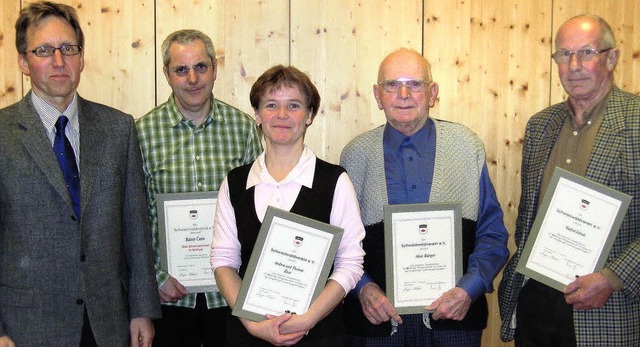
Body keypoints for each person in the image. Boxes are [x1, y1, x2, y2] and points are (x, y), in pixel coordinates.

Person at [0, 2, 161, 346]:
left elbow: (135, 226)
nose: (59, 61)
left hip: (107, 322)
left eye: (68, 49)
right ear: (24, 62)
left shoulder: (118, 129)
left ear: (82, 57)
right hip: (25, 325)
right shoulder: (2, 135)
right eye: (44, 50)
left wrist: (142, 309)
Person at [340, 48, 509, 346]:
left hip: (454, 320)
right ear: (378, 96)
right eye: (392, 85)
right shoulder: (355, 155)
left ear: (432, 93)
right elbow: (340, 240)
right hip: (375, 323)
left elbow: (492, 234)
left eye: (415, 84)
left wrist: (468, 289)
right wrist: (363, 289)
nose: (403, 94)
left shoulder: (466, 147)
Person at [498, 14, 640, 347]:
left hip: (606, 309)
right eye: (564, 54)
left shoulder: (636, 122)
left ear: (612, 58)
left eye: (586, 52)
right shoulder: (540, 126)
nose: (573, 65)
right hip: (535, 303)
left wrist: (613, 278)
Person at [211, 65, 365, 346]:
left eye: (293, 105)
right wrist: (254, 324)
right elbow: (224, 261)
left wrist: (308, 319)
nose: (282, 115)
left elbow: (350, 262)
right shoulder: (234, 183)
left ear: (308, 115)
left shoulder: (335, 181)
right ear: (257, 115)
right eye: (271, 105)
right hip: (249, 336)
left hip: (319, 334)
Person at [136, 29, 262, 346]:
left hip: (230, 297)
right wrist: (153, 279)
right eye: (181, 69)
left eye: (201, 67)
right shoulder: (142, 132)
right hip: (169, 297)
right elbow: (131, 218)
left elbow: (256, 210)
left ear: (214, 68)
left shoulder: (243, 128)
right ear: (167, 74)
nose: (193, 78)